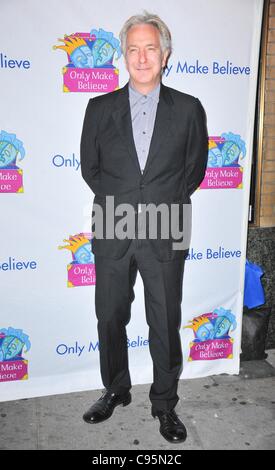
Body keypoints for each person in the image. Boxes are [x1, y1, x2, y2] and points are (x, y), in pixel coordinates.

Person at [80, 12, 208, 444]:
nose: (141, 56)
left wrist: (157, 203)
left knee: (164, 322)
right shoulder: (98, 109)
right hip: (112, 225)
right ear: (123, 55)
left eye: (149, 47)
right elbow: (90, 170)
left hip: (166, 227)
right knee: (109, 317)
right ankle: (115, 389)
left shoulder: (190, 109)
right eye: (132, 48)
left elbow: (193, 173)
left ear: (165, 54)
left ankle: (165, 405)